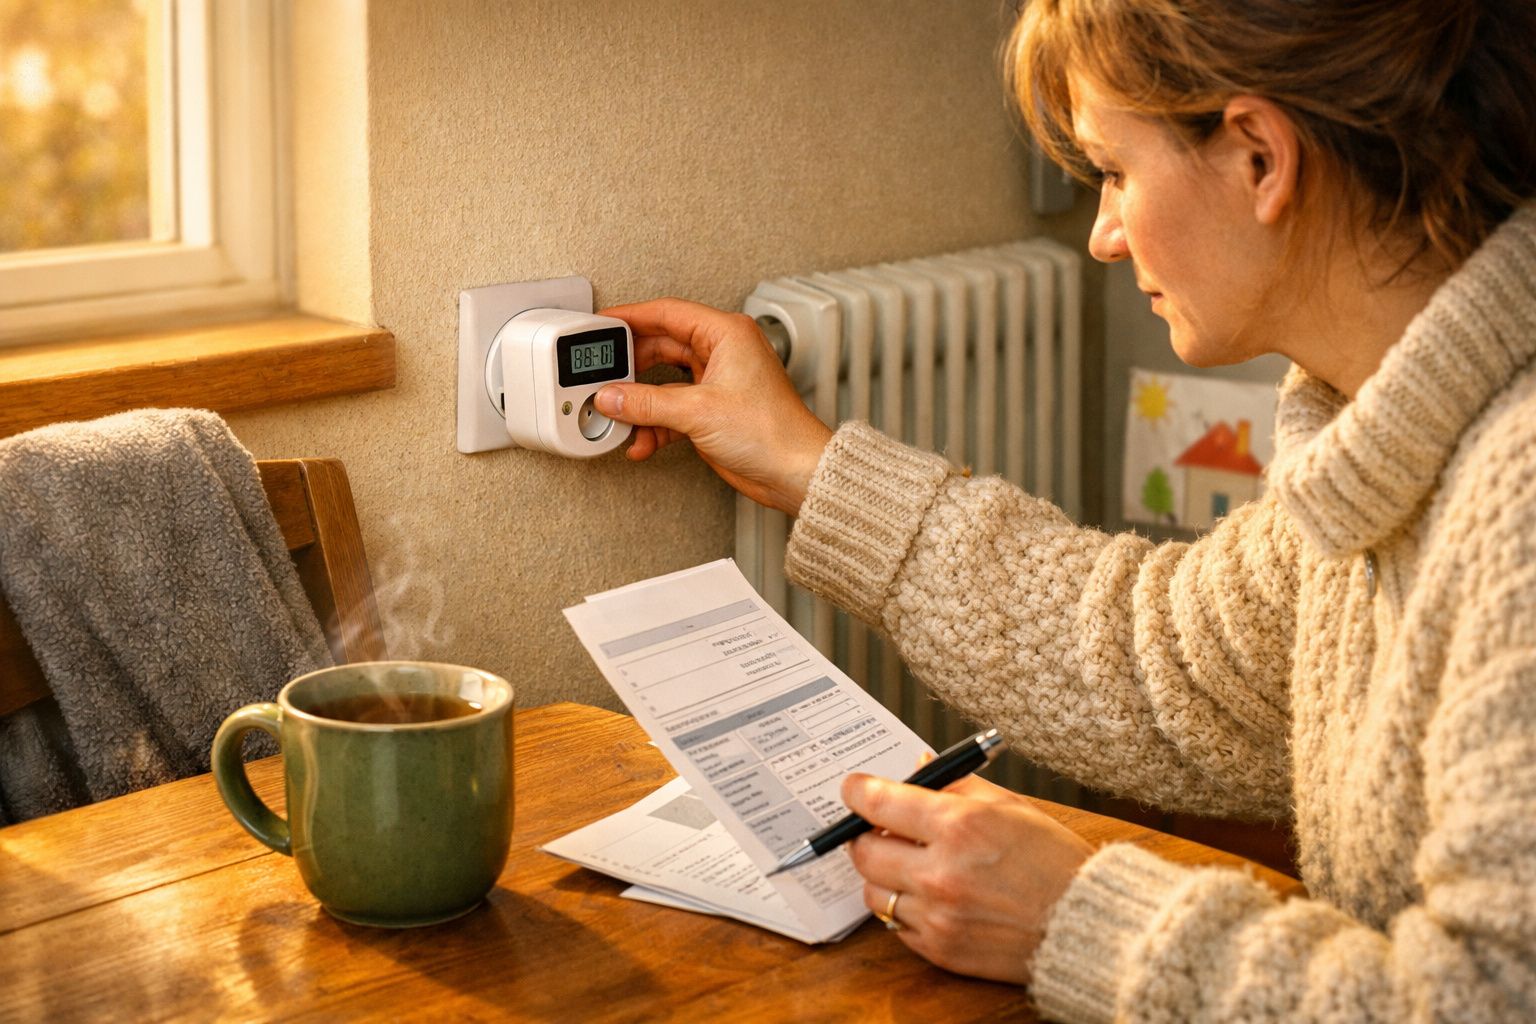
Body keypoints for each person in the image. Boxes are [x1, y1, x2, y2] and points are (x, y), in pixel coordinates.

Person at [594, 1, 1536, 1019]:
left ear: (1261, 157)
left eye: (1117, 172)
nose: (1101, 234)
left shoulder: (1516, 494)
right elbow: (1156, 659)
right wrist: (808, 466)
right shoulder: (1394, 444)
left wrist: (1074, 917)